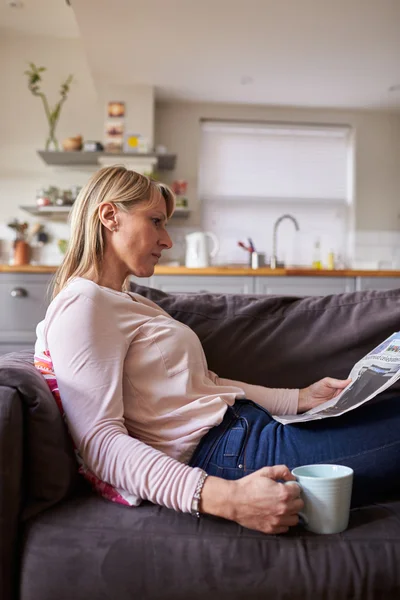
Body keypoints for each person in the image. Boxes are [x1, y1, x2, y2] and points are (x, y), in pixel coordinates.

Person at [34, 166, 400, 535]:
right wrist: (227, 498)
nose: (167, 240)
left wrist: (301, 398)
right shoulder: (82, 304)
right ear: (110, 216)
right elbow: (100, 441)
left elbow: (205, 383)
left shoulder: (128, 302)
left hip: (247, 429)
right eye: (156, 221)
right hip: (233, 455)